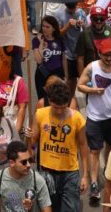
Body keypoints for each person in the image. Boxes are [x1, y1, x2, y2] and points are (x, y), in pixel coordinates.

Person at [77, 38, 111, 206]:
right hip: (95, 117)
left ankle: (108, 174)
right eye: (106, 55)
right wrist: (92, 90)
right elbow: (80, 85)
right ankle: (94, 183)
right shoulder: (92, 67)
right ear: (99, 53)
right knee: (94, 150)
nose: (109, 58)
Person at [27, 81, 89, 211]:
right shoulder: (40, 114)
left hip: (70, 172)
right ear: (49, 101)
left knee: (70, 208)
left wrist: (85, 176)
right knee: (48, 208)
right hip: (46, 170)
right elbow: (32, 144)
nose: (60, 111)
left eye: (63, 107)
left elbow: (83, 146)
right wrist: (28, 137)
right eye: (56, 107)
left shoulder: (77, 118)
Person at [0, 140, 52, 212]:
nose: (28, 165)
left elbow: (47, 209)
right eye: (24, 162)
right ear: (12, 163)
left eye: (29, 160)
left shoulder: (37, 180)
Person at [32, 16, 67, 100]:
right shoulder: (36, 40)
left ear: (54, 28)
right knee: (43, 100)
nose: (44, 29)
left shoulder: (60, 39)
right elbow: (39, 60)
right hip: (42, 74)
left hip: (58, 73)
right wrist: (41, 44)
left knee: (57, 99)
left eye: (47, 27)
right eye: (43, 26)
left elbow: (64, 59)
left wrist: (66, 75)